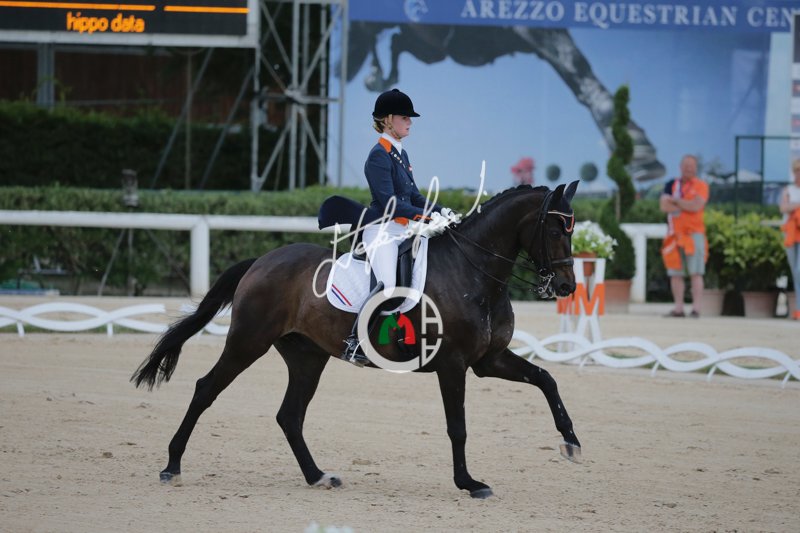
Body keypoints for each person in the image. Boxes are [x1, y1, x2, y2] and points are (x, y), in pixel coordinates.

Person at [341, 88, 457, 365]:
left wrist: (442, 211)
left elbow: (414, 196)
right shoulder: (378, 156)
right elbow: (390, 203)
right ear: (388, 120)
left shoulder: (399, 154)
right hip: (381, 231)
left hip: (402, 231)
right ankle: (355, 342)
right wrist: (426, 219)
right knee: (389, 286)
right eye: (405, 117)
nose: (410, 122)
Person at [659, 154, 709, 318]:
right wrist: (684, 204)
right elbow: (664, 206)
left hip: (694, 234)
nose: (689, 168)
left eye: (692, 165)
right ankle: (678, 308)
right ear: (680, 167)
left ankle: (696, 309)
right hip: (674, 234)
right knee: (675, 273)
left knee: (696, 272)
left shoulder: (701, 185)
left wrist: (675, 201)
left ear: (696, 168)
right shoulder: (672, 184)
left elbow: (696, 206)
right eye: (686, 165)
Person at [780, 158, 800, 320]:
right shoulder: (789, 190)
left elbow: (789, 207)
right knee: (795, 272)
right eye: (797, 171)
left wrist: (793, 206)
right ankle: (798, 309)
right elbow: (783, 207)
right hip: (790, 234)